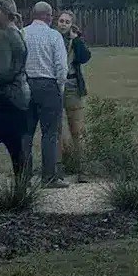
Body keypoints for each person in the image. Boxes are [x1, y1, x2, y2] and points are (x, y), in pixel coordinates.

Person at [0, 0, 32, 183]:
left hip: (5, 98)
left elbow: (3, 71)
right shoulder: (18, 32)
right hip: (21, 97)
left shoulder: (2, 34)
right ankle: (22, 189)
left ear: (5, 13)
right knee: (17, 146)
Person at [23, 1, 69, 188]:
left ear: (33, 15)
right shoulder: (54, 36)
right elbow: (61, 65)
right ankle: (48, 177)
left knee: (25, 133)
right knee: (49, 133)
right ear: (49, 16)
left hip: (26, 85)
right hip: (48, 85)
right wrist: (60, 86)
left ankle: (24, 177)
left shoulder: (22, 33)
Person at [56, 9, 91, 178]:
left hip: (71, 85)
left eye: (67, 22)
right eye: (61, 21)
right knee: (56, 130)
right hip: (55, 85)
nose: (63, 24)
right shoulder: (53, 37)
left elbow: (85, 57)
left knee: (76, 129)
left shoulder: (76, 40)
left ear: (71, 25)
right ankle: (58, 168)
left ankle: (82, 168)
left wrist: (76, 39)